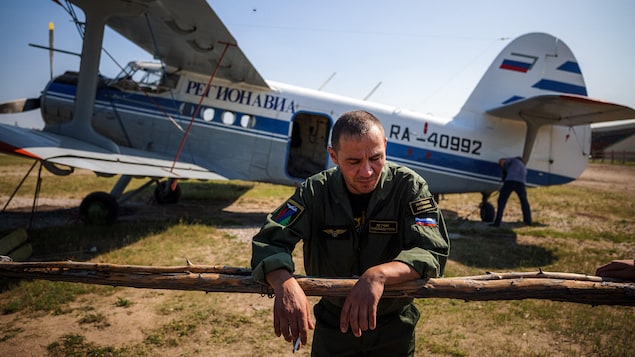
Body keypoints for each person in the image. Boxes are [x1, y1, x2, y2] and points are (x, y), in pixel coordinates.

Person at [251, 110, 450, 356]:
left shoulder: (410, 188)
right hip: (334, 328)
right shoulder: (314, 192)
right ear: (333, 155)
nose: (367, 172)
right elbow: (270, 239)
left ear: (385, 146)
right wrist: (283, 282)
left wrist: (378, 276)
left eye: (376, 158)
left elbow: (431, 249)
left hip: (393, 327)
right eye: (354, 162)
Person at [490, 156, 532, 227]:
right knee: (524, 201)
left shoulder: (512, 160)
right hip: (521, 183)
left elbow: (502, 162)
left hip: (511, 181)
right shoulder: (523, 166)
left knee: (501, 200)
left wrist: (503, 169)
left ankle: (497, 222)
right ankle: (528, 221)